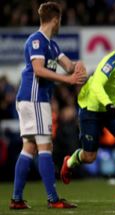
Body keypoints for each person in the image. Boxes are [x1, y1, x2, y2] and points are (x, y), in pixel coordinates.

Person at [9, 2, 87, 210]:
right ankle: (53, 199)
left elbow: (69, 66)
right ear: (55, 20)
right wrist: (68, 80)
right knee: (45, 146)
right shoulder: (36, 40)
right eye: (60, 20)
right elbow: (38, 70)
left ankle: (16, 199)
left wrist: (78, 67)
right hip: (34, 98)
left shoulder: (52, 44)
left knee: (30, 147)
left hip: (33, 99)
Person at [60, 32, 115, 204]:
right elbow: (96, 84)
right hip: (91, 107)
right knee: (89, 156)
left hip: (113, 107)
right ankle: (70, 161)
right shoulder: (113, 60)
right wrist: (109, 104)